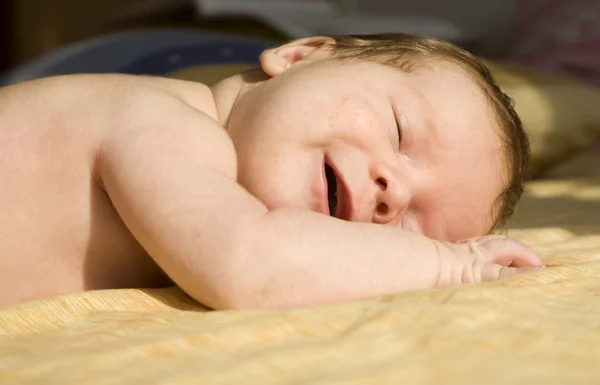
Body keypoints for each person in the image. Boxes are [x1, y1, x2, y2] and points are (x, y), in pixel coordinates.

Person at [0, 34, 544, 310]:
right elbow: (250, 263)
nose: (394, 193)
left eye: (418, 226)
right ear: (301, 55)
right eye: (400, 131)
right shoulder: (163, 123)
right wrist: (450, 265)